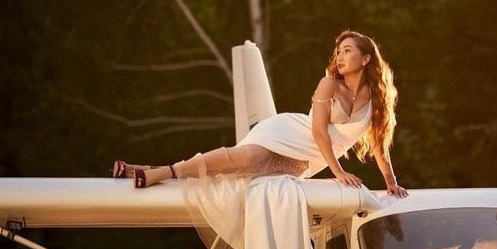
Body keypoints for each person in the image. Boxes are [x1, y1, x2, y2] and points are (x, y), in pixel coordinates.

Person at [112, 30, 408, 198]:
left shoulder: (378, 99)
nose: (340, 57)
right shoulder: (328, 83)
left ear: (366, 58)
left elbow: (380, 143)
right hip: (288, 132)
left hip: (306, 159)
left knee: (236, 180)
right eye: (339, 52)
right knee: (245, 160)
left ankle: (144, 170)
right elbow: (319, 132)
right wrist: (339, 172)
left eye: (347, 51)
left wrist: (390, 182)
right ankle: (162, 173)